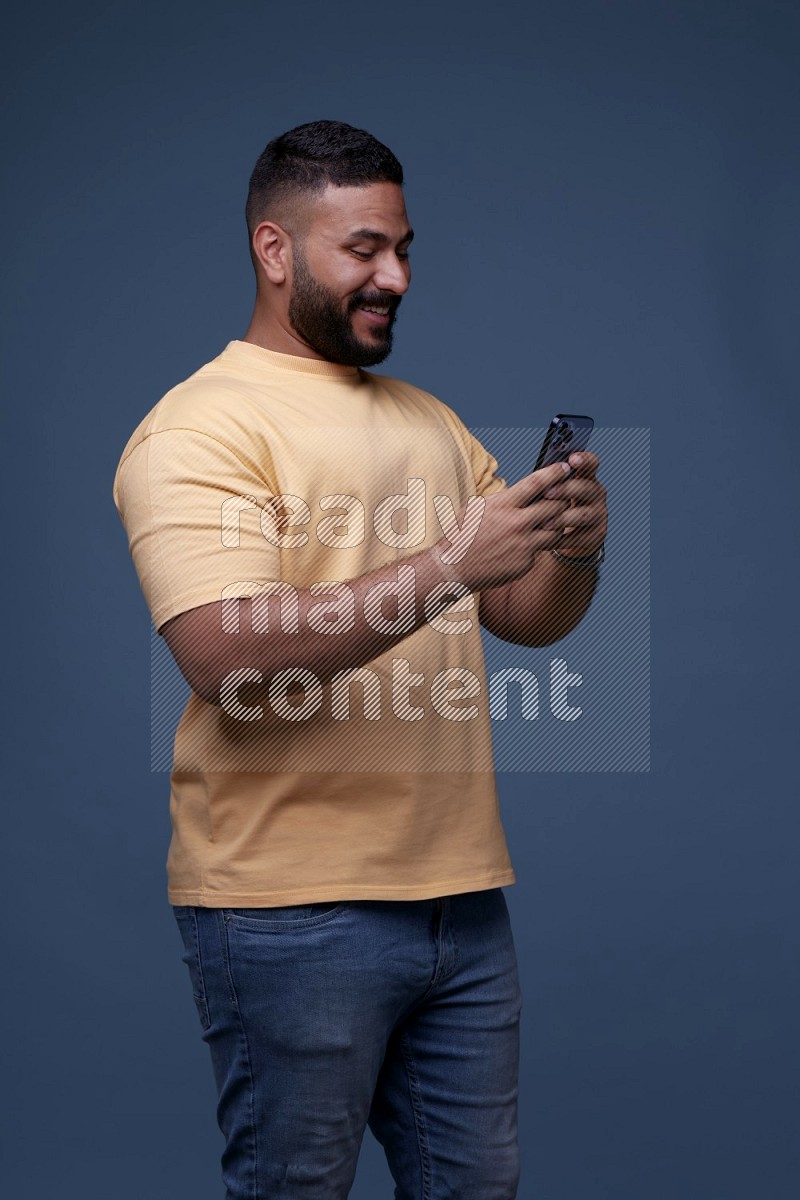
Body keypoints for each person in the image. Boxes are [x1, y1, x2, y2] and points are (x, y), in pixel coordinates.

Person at [112, 119, 607, 1199]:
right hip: (287, 913)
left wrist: (575, 543)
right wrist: (444, 563)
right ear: (273, 250)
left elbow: (523, 613)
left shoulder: (427, 420)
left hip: (462, 899)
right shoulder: (196, 430)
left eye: (404, 247)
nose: (397, 276)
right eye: (365, 250)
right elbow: (219, 657)